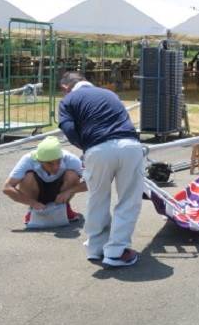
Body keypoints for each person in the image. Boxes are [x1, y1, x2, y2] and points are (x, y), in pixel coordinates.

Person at [58, 72, 144, 267]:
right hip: (129, 145)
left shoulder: (68, 100)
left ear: (66, 87)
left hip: (97, 148)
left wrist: (87, 148)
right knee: (128, 200)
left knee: (97, 198)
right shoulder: (110, 94)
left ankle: (96, 248)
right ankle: (116, 251)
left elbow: (69, 129)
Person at [2, 136, 86, 223]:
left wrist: (69, 191)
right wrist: (32, 203)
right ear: (39, 160)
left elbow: (93, 181)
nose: (55, 167)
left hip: (60, 194)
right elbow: (7, 187)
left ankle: (64, 208)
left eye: (58, 161)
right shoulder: (28, 159)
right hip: (36, 196)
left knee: (72, 175)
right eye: (49, 163)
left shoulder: (70, 158)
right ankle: (33, 211)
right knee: (28, 177)